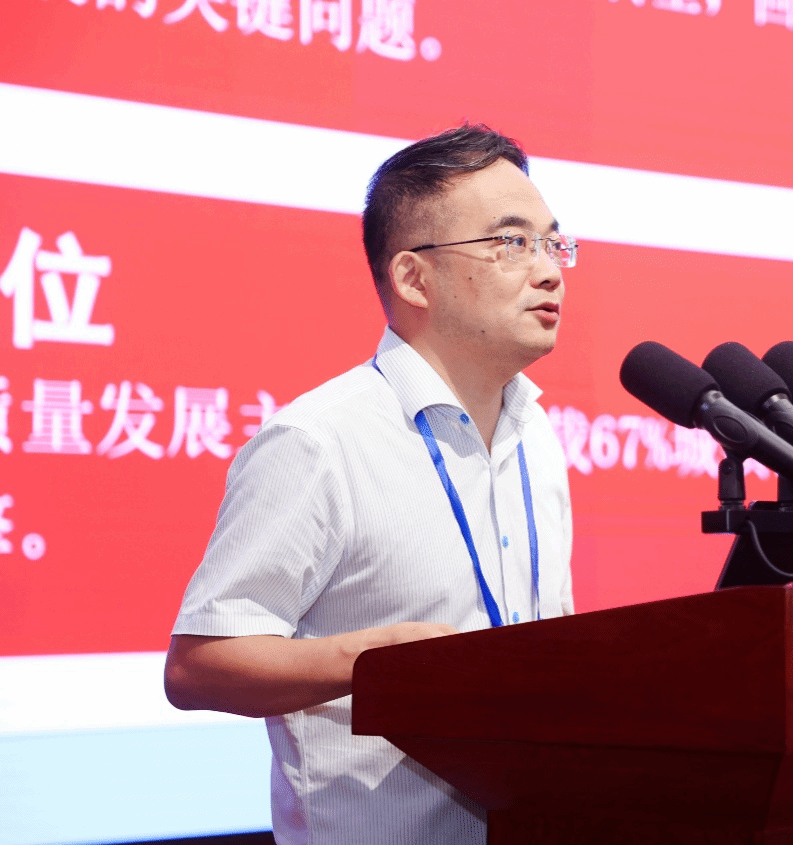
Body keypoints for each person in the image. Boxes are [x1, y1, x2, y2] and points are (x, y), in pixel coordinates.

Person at [164, 124, 576, 844]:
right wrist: (374, 660)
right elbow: (199, 667)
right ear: (414, 277)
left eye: (553, 243)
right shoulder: (319, 441)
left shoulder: (534, 433)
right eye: (512, 242)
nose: (549, 271)